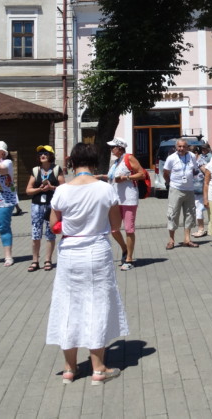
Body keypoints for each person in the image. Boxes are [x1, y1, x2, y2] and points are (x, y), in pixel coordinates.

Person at [46, 143, 128, 386]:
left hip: (70, 252)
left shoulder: (62, 190)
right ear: (95, 163)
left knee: (68, 305)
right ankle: (98, 368)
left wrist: (72, 224)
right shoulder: (105, 189)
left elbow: (54, 225)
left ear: (72, 163)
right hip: (97, 250)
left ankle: (69, 368)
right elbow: (116, 225)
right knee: (97, 304)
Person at [101, 138, 144, 271]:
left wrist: (126, 178)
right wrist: (99, 176)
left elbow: (142, 174)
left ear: (119, 148)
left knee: (129, 229)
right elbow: (112, 177)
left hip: (129, 199)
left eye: (112, 147)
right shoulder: (116, 161)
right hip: (115, 199)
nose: (111, 150)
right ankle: (125, 248)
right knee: (114, 229)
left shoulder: (128, 158)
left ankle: (129, 259)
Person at [25, 144, 64, 273]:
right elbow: (28, 190)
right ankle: (35, 260)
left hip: (51, 205)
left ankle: (48, 260)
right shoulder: (35, 170)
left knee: (50, 232)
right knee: (36, 233)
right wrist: (39, 189)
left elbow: (64, 188)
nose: (42, 155)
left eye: (45, 153)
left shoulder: (57, 169)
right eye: (40, 154)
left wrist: (52, 188)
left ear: (50, 155)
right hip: (37, 205)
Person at [163, 138, 201, 249]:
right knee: (173, 214)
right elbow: (165, 173)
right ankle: (171, 240)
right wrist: (170, 183)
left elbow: (194, 169)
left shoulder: (192, 156)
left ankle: (187, 240)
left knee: (190, 214)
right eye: (179, 146)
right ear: (176, 147)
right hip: (176, 189)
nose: (181, 148)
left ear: (187, 147)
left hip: (189, 190)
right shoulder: (171, 158)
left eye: (184, 146)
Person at [191, 142, 212, 237]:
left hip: (202, 190)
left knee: (199, 210)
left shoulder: (201, 161)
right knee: (199, 210)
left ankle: (201, 229)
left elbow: (208, 174)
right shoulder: (191, 161)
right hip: (194, 190)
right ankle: (207, 228)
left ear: (196, 153)